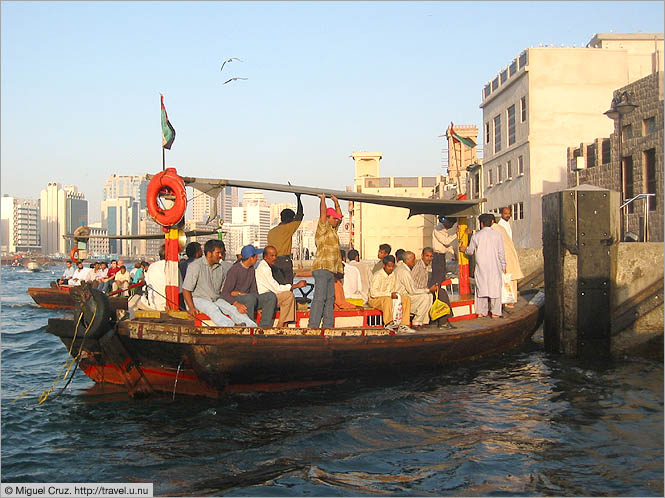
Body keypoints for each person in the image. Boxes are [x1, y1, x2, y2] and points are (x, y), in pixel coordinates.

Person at [182, 239, 256, 326]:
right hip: (197, 299)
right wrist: (191, 308)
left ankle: (252, 327)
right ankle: (231, 327)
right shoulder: (195, 266)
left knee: (233, 309)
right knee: (212, 308)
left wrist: (236, 303)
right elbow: (186, 289)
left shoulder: (221, 268)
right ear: (209, 253)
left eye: (221, 253)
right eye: (218, 253)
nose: (220, 256)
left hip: (215, 299)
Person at [460, 213, 506, 318]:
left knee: (481, 289)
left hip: (481, 267)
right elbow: (501, 253)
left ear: (481, 224)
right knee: (495, 289)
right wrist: (504, 266)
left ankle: (481, 312)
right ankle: (495, 312)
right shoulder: (498, 235)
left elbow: (470, 251)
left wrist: (464, 249)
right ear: (492, 223)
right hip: (495, 267)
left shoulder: (477, 236)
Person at [221, 245, 277, 328]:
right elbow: (225, 293)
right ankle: (250, 326)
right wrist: (236, 304)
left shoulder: (251, 269)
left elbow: (254, 290)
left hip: (250, 298)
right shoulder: (234, 270)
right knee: (250, 298)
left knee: (270, 296)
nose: (257, 259)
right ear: (251, 258)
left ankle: (264, 326)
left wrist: (258, 305)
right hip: (239, 299)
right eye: (256, 257)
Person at [309, 193, 343, 328]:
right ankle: (313, 326)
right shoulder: (323, 228)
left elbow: (339, 217)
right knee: (319, 298)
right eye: (334, 218)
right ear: (329, 218)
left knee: (329, 299)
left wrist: (336, 202)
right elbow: (323, 213)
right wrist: (323, 199)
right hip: (322, 267)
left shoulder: (334, 230)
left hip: (331, 270)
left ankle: (328, 325)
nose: (336, 221)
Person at [256, 245, 307, 327]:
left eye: (275, 255)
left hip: (269, 297)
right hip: (266, 299)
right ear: (265, 257)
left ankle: (284, 323)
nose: (274, 258)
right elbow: (276, 289)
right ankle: (281, 324)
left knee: (288, 295)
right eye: (272, 256)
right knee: (289, 295)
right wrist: (296, 286)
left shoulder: (268, 267)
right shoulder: (264, 269)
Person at [369, 255, 414, 333]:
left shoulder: (393, 275)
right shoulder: (378, 275)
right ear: (384, 265)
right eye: (389, 266)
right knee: (387, 299)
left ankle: (404, 325)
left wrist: (396, 295)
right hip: (375, 300)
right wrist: (390, 294)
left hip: (389, 297)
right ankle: (388, 324)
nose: (391, 268)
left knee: (406, 299)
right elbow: (373, 293)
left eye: (392, 266)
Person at [394, 251, 438, 328]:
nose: (415, 261)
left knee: (429, 296)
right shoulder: (404, 271)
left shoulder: (405, 269)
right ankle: (417, 321)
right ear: (407, 260)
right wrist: (428, 290)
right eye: (413, 259)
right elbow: (412, 290)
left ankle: (424, 321)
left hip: (407, 294)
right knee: (425, 297)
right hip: (403, 297)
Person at [267, 193, 304, 285]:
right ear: (291, 219)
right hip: (284, 261)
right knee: (288, 287)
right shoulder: (288, 228)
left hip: (273, 262)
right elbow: (300, 215)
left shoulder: (271, 232)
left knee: (276, 287)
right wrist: (298, 198)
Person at [491, 216, 523, 309]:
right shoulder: (500, 228)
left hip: (506, 257)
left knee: (508, 280)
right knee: (510, 280)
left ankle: (509, 304)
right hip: (508, 256)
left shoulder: (494, 229)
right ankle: (509, 303)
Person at [431, 217, 457, 287]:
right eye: (451, 224)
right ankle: (436, 294)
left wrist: (453, 253)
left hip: (441, 256)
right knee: (437, 278)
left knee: (442, 276)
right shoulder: (438, 229)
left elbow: (446, 246)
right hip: (437, 256)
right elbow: (445, 241)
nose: (451, 226)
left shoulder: (444, 230)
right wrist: (456, 234)